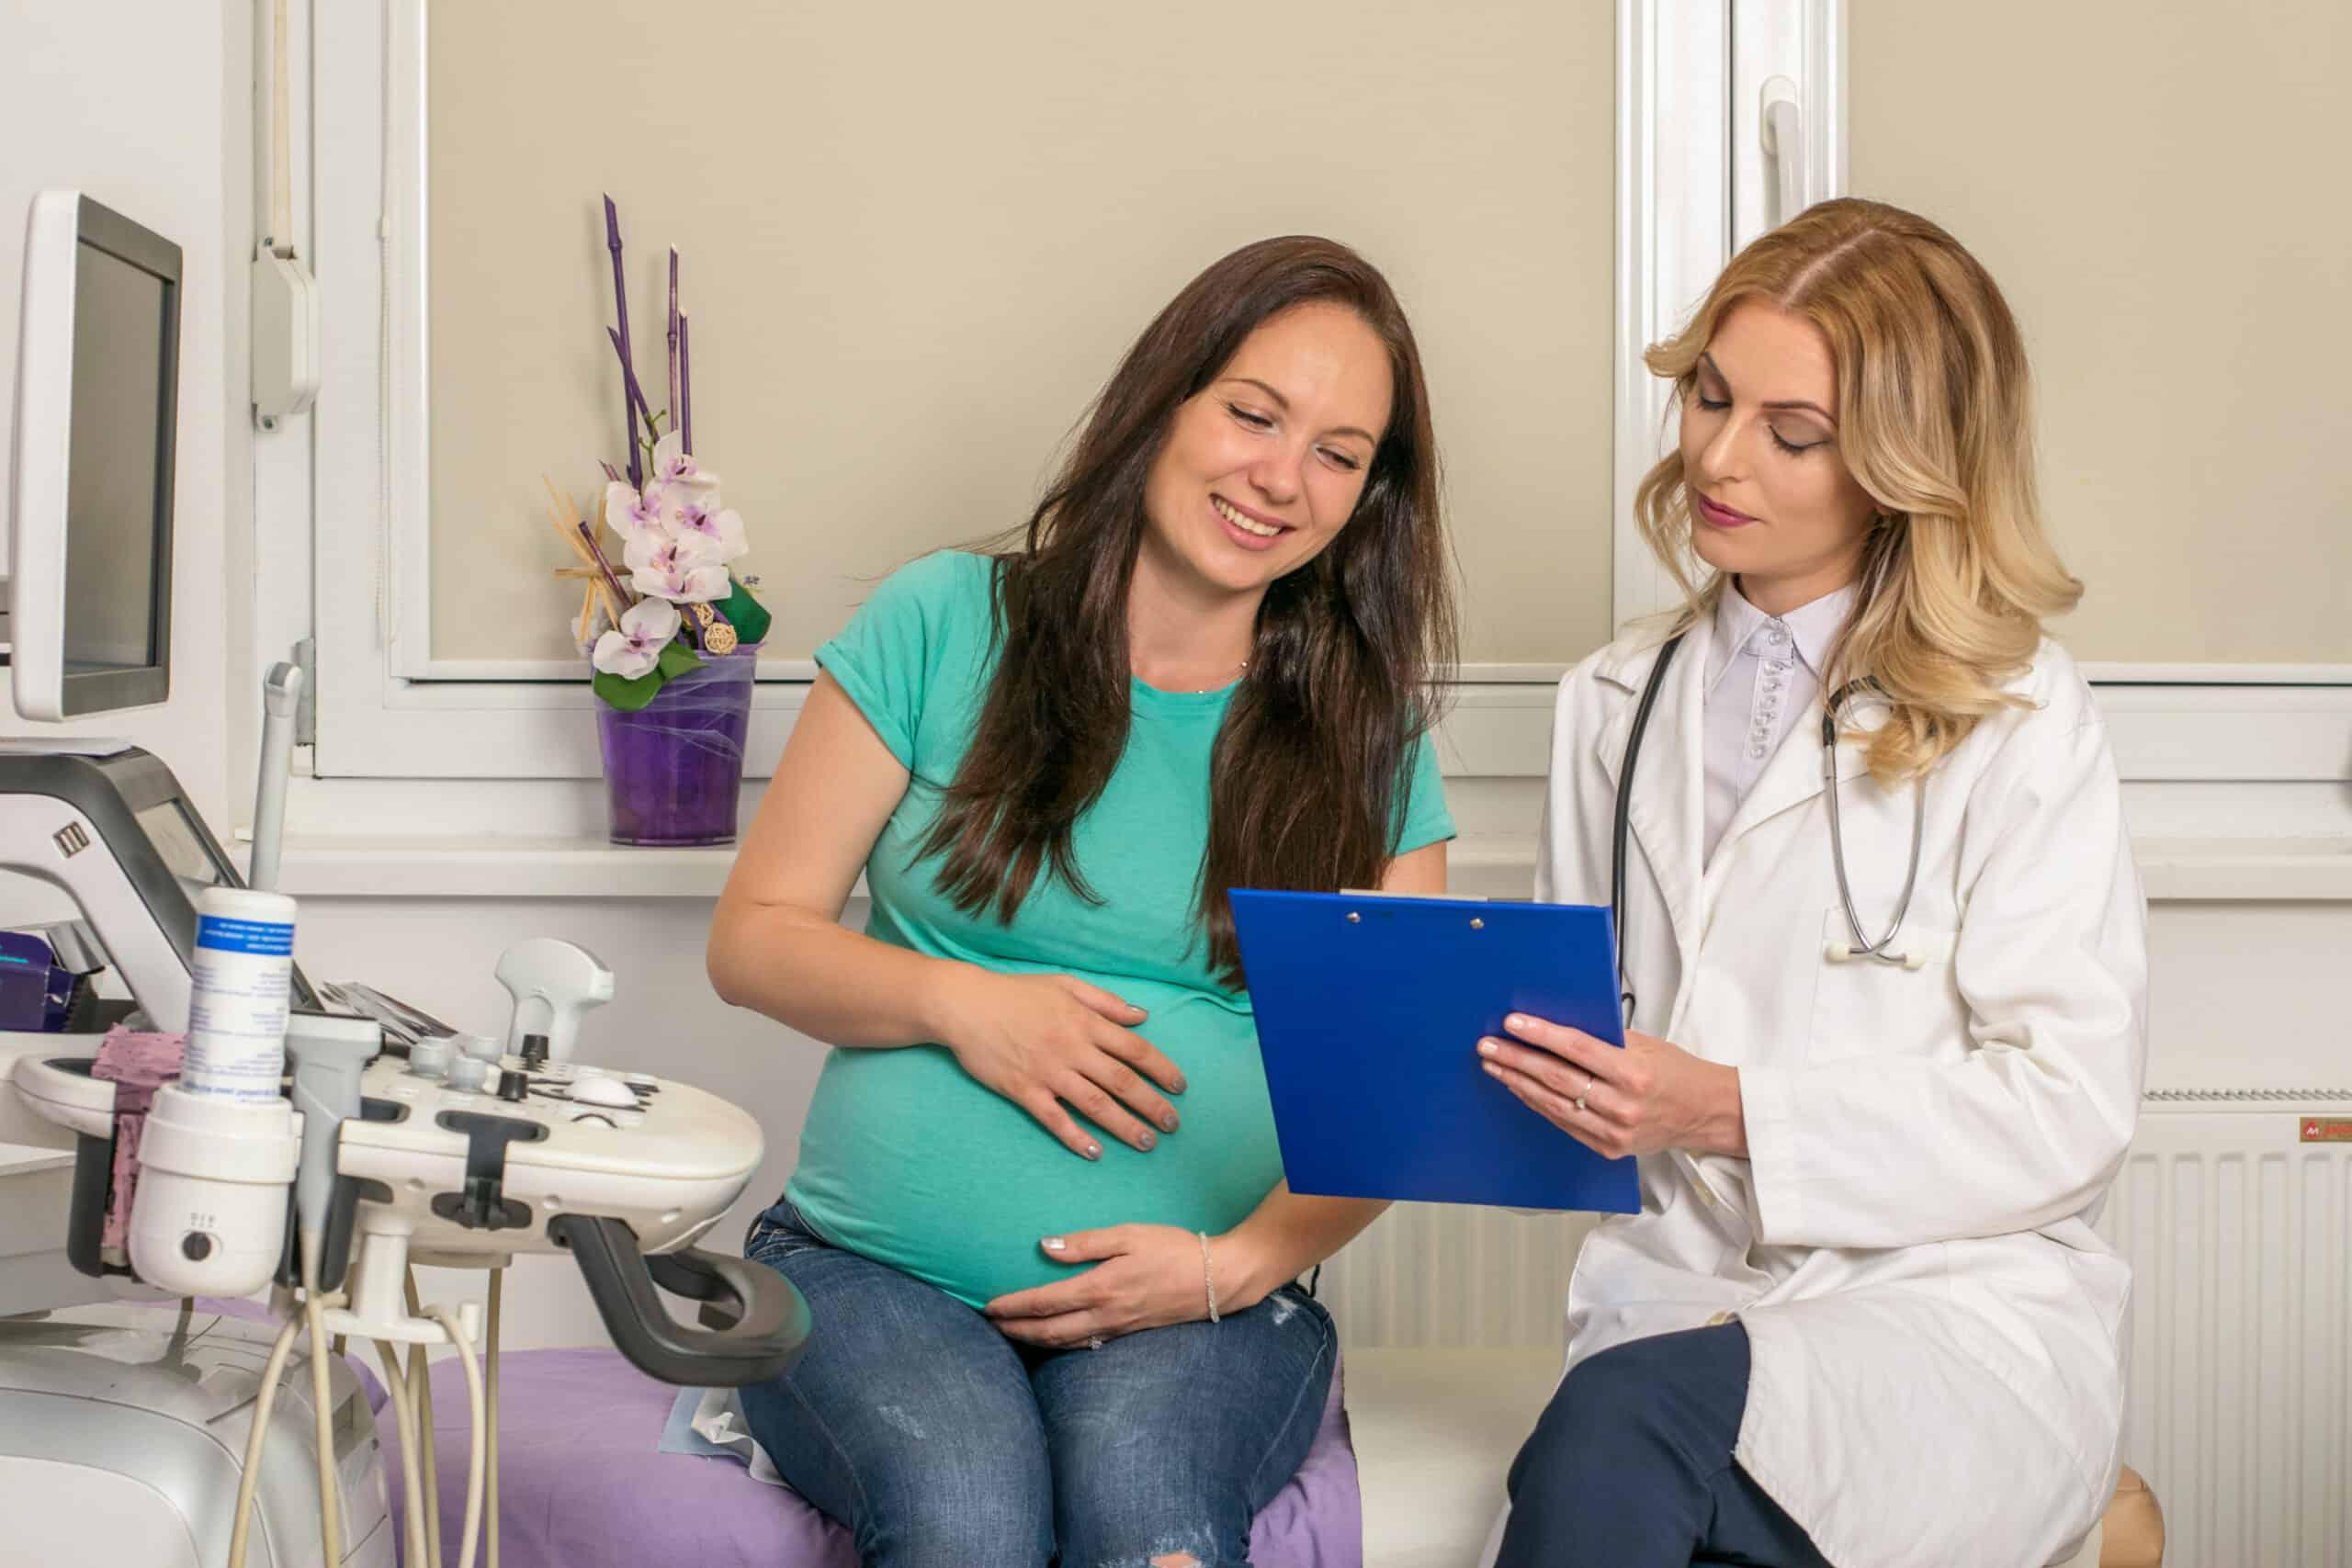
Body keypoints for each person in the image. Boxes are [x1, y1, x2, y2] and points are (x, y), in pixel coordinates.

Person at [707, 235, 1457, 1567]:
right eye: (1253, 413)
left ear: (1368, 497)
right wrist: (963, 1006)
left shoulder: (1369, 736)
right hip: (872, 1273)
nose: (1283, 479)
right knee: (966, 1516)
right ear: (1165, 398)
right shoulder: (945, 620)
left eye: (1340, 453)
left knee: (1147, 1516)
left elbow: (1388, 1112)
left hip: (1208, 1299)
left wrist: (1230, 1268)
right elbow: (754, 940)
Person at [1478, 198, 2146, 1567]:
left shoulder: (2020, 714)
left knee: (1624, 1435)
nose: (1721, 457)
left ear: (1906, 462)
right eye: (1710, 397)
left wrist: (1725, 1110)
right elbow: (1583, 1060)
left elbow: (2067, 1111)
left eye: (1794, 433)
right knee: (1645, 1438)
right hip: (1677, 1301)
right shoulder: (1606, 703)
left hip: (1946, 1315)